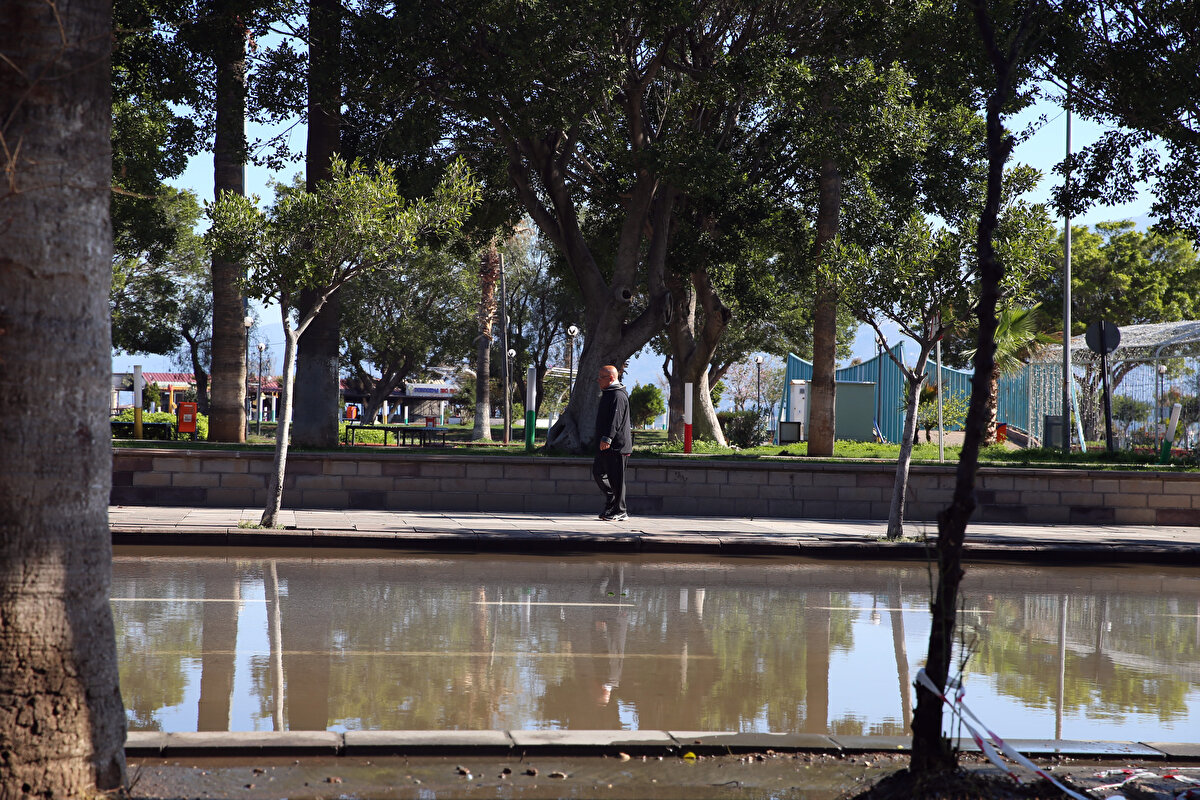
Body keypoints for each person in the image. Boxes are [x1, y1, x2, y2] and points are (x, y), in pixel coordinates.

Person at [593, 364, 632, 521]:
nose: (598, 380)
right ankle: (611, 501)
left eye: (601, 377)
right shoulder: (608, 393)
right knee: (598, 472)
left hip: (617, 446)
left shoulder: (618, 395)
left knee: (617, 479)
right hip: (605, 445)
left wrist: (607, 438)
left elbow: (615, 420)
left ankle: (620, 510)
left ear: (611, 378)